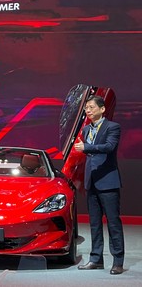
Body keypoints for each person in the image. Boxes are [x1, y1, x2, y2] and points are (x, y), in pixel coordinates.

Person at [74, 95, 125, 275]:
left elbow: (109, 147)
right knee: (94, 223)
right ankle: (96, 259)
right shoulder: (86, 129)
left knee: (113, 223)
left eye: (91, 107)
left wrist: (86, 147)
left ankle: (118, 261)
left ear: (102, 109)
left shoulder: (113, 127)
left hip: (108, 182)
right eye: (86, 108)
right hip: (92, 181)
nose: (88, 110)